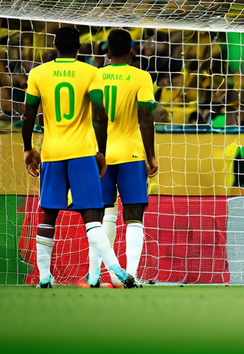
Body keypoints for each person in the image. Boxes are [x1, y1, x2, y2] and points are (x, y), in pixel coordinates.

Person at [21, 27, 136, 289]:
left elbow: (29, 116)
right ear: (79, 48)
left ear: (54, 45)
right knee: (92, 217)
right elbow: (99, 115)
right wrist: (101, 152)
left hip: (52, 153)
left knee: (48, 215)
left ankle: (44, 276)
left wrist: (29, 148)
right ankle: (116, 269)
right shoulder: (90, 73)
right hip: (82, 154)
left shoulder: (38, 73)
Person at [77, 30, 158, 288]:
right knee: (134, 215)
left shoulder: (95, 75)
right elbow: (146, 118)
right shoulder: (141, 76)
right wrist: (151, 156)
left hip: (99, 155)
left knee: (99, 216)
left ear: (108, 53)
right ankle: (129, 274)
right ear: (132, 52)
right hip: (131, 153)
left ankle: (95, 277)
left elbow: (90, 117)